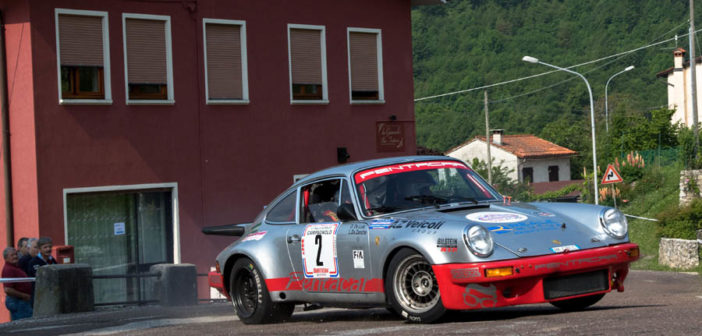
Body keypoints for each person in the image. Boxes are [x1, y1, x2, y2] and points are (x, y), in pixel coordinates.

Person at [2, 247, 33, 320]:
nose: (15, 256)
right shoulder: (8, 269)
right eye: (12, 255)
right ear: (6, 258)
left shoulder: (15, 267)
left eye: (16, 254)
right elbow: (8, 289)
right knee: (24, 323)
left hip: (21, 300)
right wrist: (24, 295)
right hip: (18, 301)